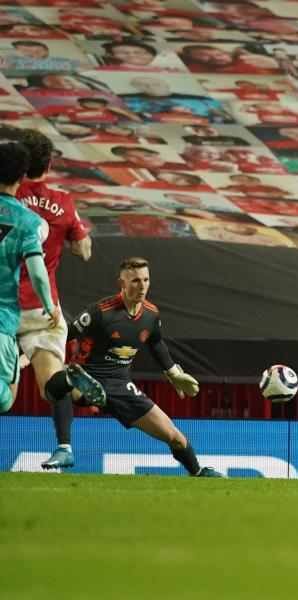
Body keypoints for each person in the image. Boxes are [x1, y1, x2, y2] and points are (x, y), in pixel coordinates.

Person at [40, 257, 224, 477]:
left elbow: (155, 342)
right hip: (89, 376)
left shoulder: (151, 315)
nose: (143, 286)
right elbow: (65, 335)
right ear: (122, 283)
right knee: (65, 383)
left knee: (175, 437)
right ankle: (64, 447)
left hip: (121, 386)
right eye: (136, 280)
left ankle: (198, 471)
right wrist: (45, 355)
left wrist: (173, 372)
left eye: (146, 280)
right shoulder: (100, 312)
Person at [14, 132, 91, 466]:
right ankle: (64, 448)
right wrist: (71, 237)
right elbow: (84, 252)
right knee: (52, 384)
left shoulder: (7, 196)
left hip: (6, 306)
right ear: (49, 165)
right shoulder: (63, 201)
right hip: (44, 309)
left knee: (5, 392)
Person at [0, 141, 60, 414]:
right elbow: (37, 270)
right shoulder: (29, 221)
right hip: (3, 322)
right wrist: (49, 306)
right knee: (4, 400)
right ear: (22, 177)